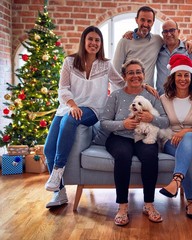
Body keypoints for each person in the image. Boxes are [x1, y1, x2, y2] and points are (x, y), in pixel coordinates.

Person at [43, 26, 127, 208]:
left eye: (97, 40)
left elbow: (121, 83)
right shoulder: (70, 62)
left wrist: (143, 86)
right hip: (67, 108)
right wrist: (72, 105)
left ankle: (58, 170)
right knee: (48, 149)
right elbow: (63, 88)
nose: (94, 43)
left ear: (101, 44)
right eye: (90, 39)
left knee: (70, 119)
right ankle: (60, 193)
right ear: (84, 41)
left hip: (92, 109)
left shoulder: (105, 65)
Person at [100, 59, 169, 226]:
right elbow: (103, 121)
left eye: (138, 72)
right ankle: (122, 207)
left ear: (144, 75)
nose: (135, 75)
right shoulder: (115, 95)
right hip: (119, 137)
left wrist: (152, 118)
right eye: (130, 72)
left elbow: (165, 121)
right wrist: (122, 124)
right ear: (124, 76)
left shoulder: (151, 96)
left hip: (143, 136)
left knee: (150, 156)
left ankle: (149, 204)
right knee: (123, 156)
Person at [159, 54, 192, 221]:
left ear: (191, 77)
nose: (183, 79)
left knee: (188, 139)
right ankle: (191, 202)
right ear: (173, 77)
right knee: (188, 155)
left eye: (186, 75)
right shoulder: (164, 99)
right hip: (171, 142)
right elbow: (161, 123)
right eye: (179, 75)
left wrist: (186, 131)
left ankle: (176, 181)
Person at [113, 6, 192, 87]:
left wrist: (187, 42)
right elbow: (116, 73)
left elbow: (172, 41)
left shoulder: (157, 40)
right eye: (142, 20)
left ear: (153, 22)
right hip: (129, 92)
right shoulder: (125, 41)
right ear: (136, 20)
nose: (145, 24)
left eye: (149, 21)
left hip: (148, 94)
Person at [156, 20, 192, 96]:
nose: (169, 34)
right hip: (162, 100)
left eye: (172, 30)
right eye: (165, 31)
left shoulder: (189, 50)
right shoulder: (158, 50)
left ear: (178, 32)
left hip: (184, 100)